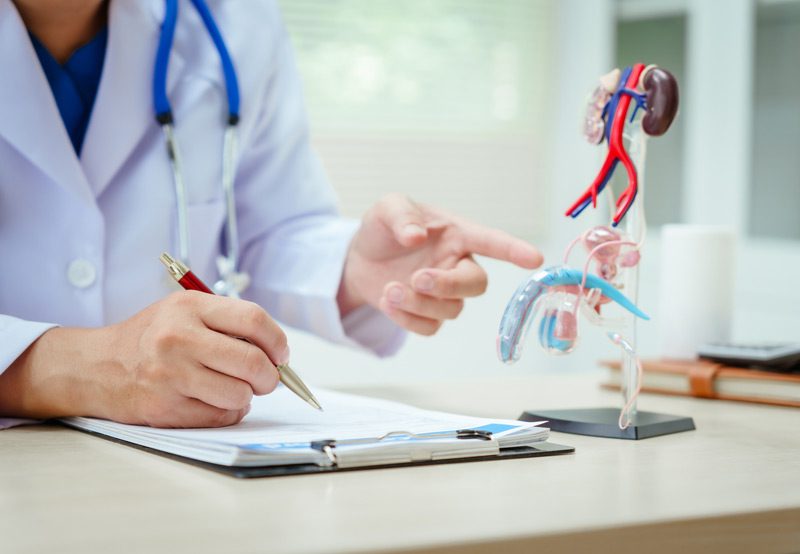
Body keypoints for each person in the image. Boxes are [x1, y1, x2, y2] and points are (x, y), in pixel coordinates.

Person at [0, 0, 542, 428]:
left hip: (165, 458)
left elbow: (263, 228)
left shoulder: (234, 19)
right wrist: (69, 368)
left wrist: (351, 269)